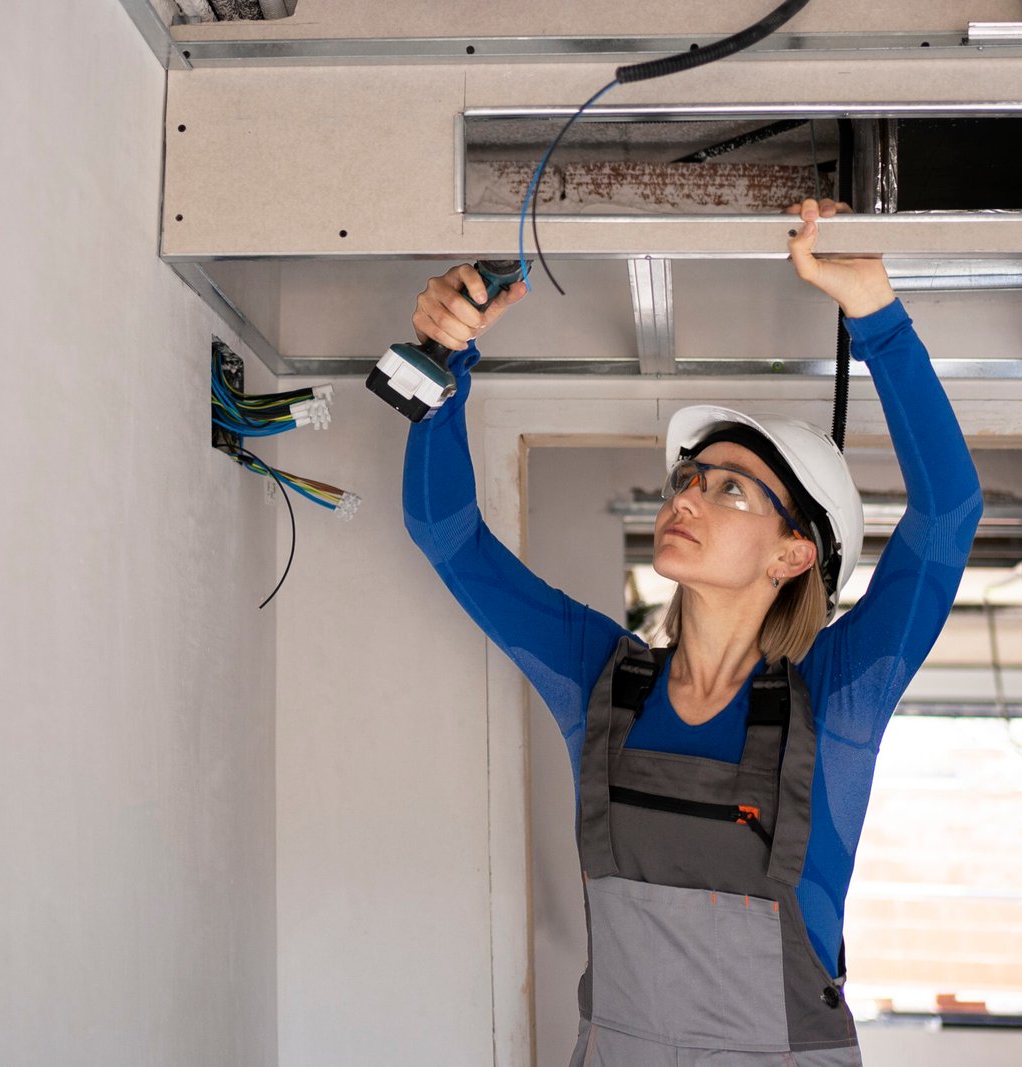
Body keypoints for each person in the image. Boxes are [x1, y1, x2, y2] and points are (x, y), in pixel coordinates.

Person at [402, 198, 982, 1066]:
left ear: (793, 554)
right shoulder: (601, 679)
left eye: (730, 489)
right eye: (688, 477)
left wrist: (878, 316)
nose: (686, 497)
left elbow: (947, 514)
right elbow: (446, 533)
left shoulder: (838, 698)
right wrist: (440, 363)